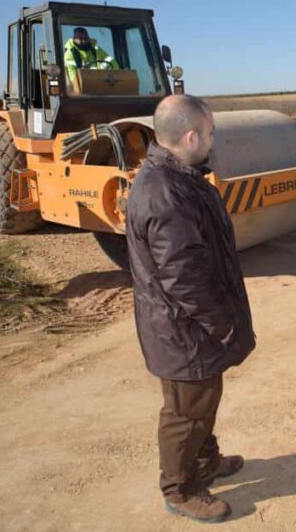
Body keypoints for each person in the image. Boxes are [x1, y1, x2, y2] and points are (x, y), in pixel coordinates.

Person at [125, 95, 255, 523]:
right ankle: (179, 488)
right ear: (191, 135)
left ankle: (204, 463)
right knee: (185, 411)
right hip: (183, 331)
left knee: (202, 400)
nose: (214, 139)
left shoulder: (179, 176)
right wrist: (223, 325)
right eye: (212, 132)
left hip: (188, 329)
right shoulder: (165, 191)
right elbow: (183, 277)